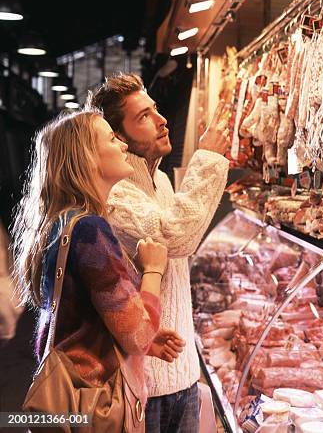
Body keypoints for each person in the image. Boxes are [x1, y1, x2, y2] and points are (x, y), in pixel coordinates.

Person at [11, 109, 186, 418]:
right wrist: (153, 270)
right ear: (87, 157)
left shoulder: (63, 223)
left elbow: (83, 319)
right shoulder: (90, 231)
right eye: (111, 138)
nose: (123, 145)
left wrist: (140, 337)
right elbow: (137, 336)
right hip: (93, 402)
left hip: (72, 395)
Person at [88, 73, 230, 432]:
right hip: (142, 388)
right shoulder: (115, 195)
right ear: (118, 138)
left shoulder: (162, 181)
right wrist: (209, 159)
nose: (162, 120)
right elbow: (175, 236)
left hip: (181, 375)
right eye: (144, 117)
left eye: (155, 110)